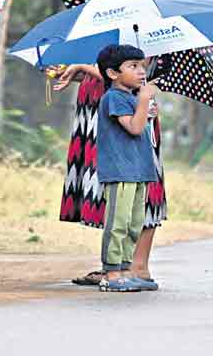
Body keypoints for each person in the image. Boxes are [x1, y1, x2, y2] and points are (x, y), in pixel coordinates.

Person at [51, 61, 168, 288]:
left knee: (136, 195)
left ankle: (134, 265)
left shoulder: (136, 40)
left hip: (131, 114)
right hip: (103, 111)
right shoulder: (111, 54)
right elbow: (111, 72)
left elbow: (133, 71)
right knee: (118, 201)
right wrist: (76, 71)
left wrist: (84, 67)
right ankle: (119, 267)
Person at [93, 44, 159, 293]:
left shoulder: (131, 97)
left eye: (142, 66)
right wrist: (143, 101)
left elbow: (142, 124)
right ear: (112, 74)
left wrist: (147, 107)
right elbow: (133, 127)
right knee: (118, 222)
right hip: (121, 171)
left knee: (134, 223)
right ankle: (111, 272)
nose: (142, 71)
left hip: (139, 169)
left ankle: (126, 269)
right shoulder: (113, 98)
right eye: (133, 66)